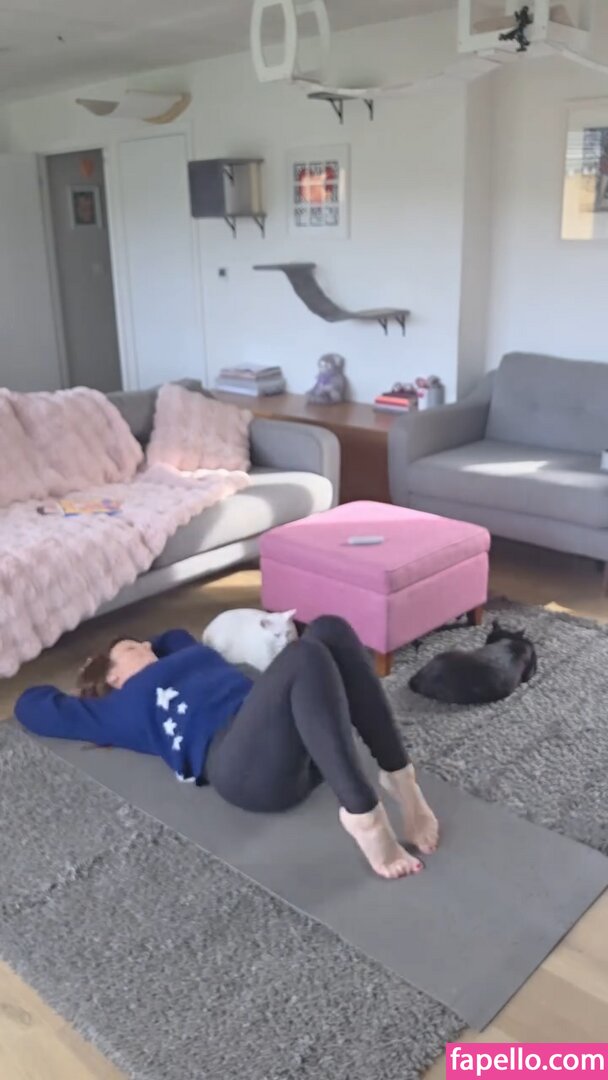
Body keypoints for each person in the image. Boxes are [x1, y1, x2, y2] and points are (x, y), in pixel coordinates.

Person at [15, 615, 438, 881]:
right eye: (131, 648)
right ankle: (364, 815)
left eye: (144, 643)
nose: (145, 645)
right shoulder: (116, 709)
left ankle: (401, 779)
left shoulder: (180, 650)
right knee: (304, 655)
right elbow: (29, 705)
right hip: (243, 769)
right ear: (113, 678)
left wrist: (135, 650)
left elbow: (172, 635)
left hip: (299, 741)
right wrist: (92, 677)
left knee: (330, 628)